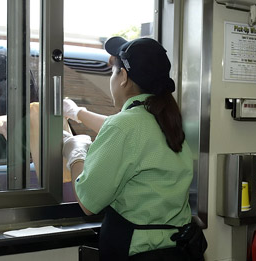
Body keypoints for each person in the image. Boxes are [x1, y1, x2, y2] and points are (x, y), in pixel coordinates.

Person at [62, 37, 201, 260]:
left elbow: (87, 202)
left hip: (139, 252)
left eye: (113, 72)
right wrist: (78, 113)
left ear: (124, 77)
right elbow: (126, 133)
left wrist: (75, 152)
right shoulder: (167, 120)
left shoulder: (125, 126)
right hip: (176, 251)